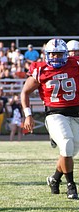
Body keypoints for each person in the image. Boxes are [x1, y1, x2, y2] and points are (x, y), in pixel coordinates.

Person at [21, 38, 79, 199]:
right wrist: (28, 115)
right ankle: (71, 186)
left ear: (66, 54)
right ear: (47, 54)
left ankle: (55, 179)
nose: (55, 57)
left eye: (59, 54)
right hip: (55, 114)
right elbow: (25, 92)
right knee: (67, 144)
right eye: (52, 54)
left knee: (69, 152)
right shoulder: (40, 69)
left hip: (75, 114)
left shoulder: (75, 64)